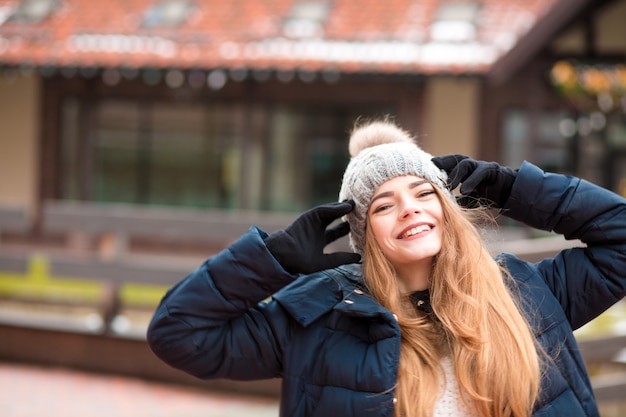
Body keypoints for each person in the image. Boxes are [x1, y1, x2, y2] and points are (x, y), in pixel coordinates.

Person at [147, 119, 626, 417]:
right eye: (383, 205)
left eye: (423, 194)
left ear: (445, 208)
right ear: (362, 233)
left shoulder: (526, 292)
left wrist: (515, 189)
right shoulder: (316, 319)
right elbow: (178, 332)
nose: (410, 210)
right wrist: (269, 261)